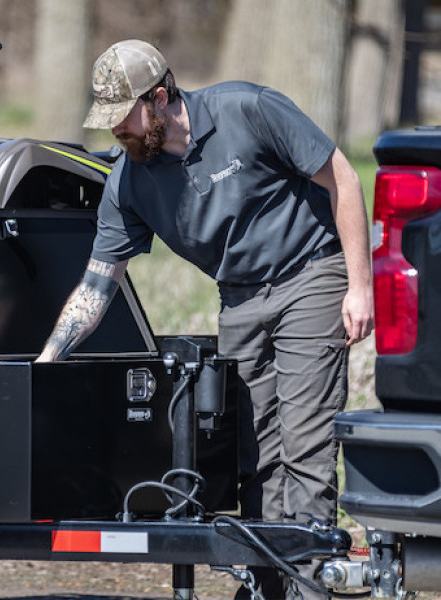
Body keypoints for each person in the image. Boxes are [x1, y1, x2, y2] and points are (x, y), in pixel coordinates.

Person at [36, 39, 373, 599]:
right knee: (254, 456)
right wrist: (48, 359)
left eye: (121, 119)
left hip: (311, 273)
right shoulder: (128, 181)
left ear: (160, 97)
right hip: (239, 299)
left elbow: (344, 178)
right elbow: (99, 282)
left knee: (305, 449)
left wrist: (359, 286)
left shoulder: (247, 109)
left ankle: (313, 588)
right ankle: (269, 585)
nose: (114, 132)